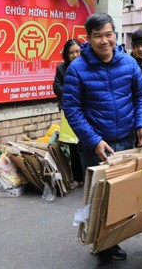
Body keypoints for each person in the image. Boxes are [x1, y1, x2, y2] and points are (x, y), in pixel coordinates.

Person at [63, 13, 142, 261]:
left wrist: (141, 123)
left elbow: (141, 95)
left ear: (116, 35)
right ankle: (101, 243)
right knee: (98, 199)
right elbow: (72, 109)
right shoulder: (77, 69)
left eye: (108, 34)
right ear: (88, 38)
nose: (104, 40)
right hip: (95, 145)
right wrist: (93, 140)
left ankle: (112, 239)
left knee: (121, 195)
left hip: (125, 142)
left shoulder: (129, 63)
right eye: (98, 36)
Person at [53, 39, 83, 187]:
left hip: (86, 110)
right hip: (69, 110)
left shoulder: (87, 66)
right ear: (66, 54)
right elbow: (56, 86)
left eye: (77, 51)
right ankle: (78, 177)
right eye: (71, 52)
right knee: (73, 145)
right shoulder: (62, 68)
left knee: (86, 143)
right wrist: (71, 93)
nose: (75, 55)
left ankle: (88, 174)